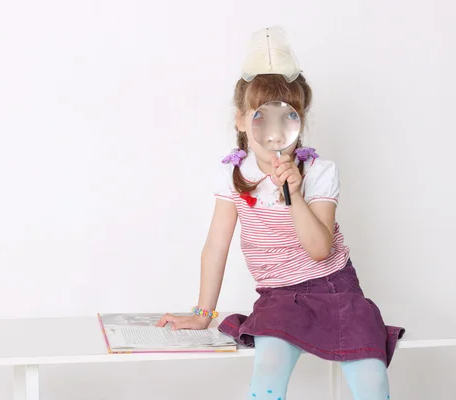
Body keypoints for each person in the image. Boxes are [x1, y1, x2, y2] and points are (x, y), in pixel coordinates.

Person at [157, 27, 404, 400]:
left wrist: (295, 195)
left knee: (371, 377)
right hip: (278, 298)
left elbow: (320, 249)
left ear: (299, 121)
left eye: (287, 116)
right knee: (268, 373)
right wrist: (202, 312)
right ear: (241, 121)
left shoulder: (318, 172)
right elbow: (216, 246)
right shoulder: (233, 174)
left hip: (336, 291)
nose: (273, 131)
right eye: (261, 117)